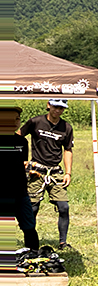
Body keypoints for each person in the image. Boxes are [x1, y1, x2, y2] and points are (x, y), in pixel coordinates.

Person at [23, 98, 76, 250]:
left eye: (61, 108)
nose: (58, 110)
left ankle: (63, 242)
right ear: (48, 105)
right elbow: (18, 137)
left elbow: (68, 150)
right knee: (33, 208)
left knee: (64, 207)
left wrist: (68, 173)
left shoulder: (66, 127)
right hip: (36, 171)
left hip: (55, 172)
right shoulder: (35, 122)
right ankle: (31, 244)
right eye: (55, 107)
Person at [0, 107, 41, 256]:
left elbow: (22, 163)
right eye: (10, 119)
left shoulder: (22, 142)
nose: (15, 122)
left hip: (20, 192)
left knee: (29, 226)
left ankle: (33, 256)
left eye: (17, 119)